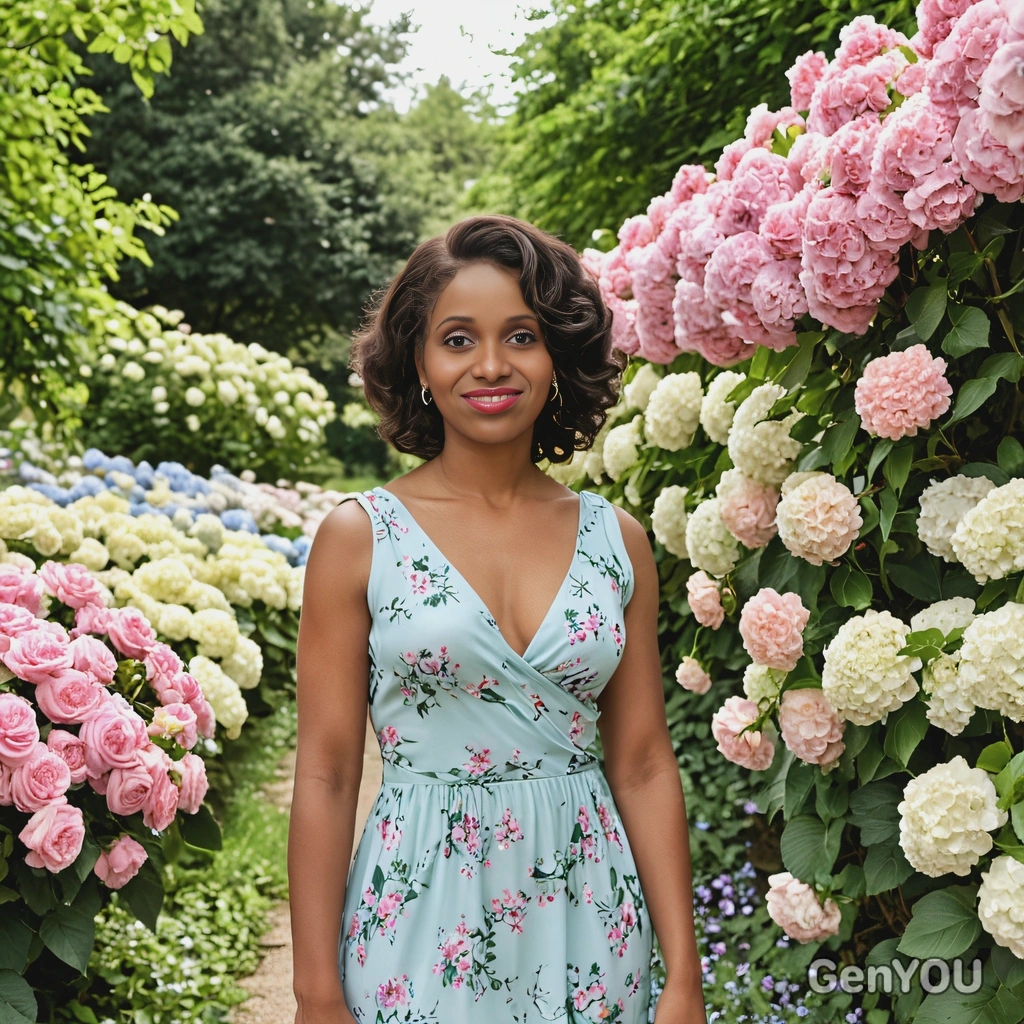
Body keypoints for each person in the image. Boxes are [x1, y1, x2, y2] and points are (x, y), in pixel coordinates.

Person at [289, 214, 706, 1023]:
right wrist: (314, 992)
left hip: (591, 913)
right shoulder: (359, 537)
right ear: (417, 361)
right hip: (415, 910)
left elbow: (646, 762)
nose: (490, 365)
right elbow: (328, 771)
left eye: (521, 336)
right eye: (456, 339)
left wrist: (683, 977)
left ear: (558, 357)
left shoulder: (616, 541)